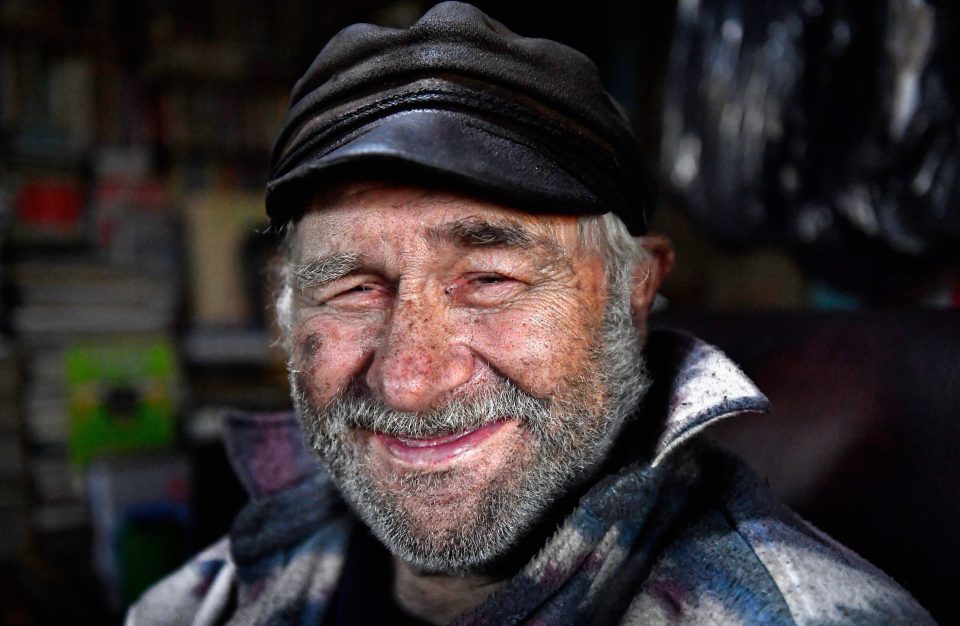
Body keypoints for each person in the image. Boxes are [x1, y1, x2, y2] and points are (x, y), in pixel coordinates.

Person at [128, 3, 934, 624]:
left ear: (634, 290)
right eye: (354, 288)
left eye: (489, 278)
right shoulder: (194, 607)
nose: (410, 379)